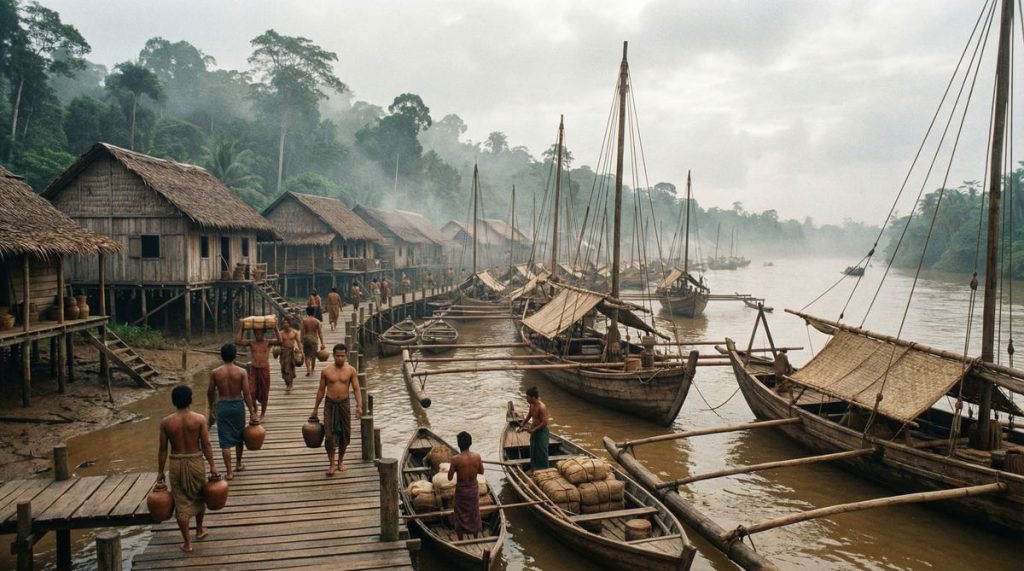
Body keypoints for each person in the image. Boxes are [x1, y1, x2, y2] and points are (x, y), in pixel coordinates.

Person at [158, 385, 218, 553]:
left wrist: (160, 471)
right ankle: (199, 529)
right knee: (200, 495)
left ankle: (187, 542)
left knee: (181, 501)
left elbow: (162, 449)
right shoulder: (199, 420)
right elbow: (206, 445)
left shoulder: (166, 422)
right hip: (195, 461)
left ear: (174, 401)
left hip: (176, 463)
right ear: (190, 400)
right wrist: (212, 465)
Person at [311, 343, 363, 476]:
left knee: (345, 434)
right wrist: (315, 408)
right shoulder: (326, 371)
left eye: (343, 356)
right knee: (329, 435)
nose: (340, 358)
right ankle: (332, 463)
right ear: (333, 356)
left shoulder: (351, 370)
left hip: (344, 405)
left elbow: (356, 389)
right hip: (330, 404)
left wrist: (359, 406)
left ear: (346, 356)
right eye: (338, 356)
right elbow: (321, 390)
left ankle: (340, 461)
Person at [207, 344, 257, 480]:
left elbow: (210, 393)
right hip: (237, 405)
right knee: (239, 435)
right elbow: (246, 393)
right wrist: (252, 411)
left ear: (221, 356)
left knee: (224, 439)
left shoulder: (215, 373)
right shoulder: (241, 372)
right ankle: (238, 464)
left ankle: (229, 472)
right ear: (235, 356)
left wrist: (211, 408)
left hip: (222, 406)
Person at [235, 321, 280, 419]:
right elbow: (238, 342)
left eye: (260, 333)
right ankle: (255, 408)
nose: (258, 335)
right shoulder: (252, 343)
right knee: (251, 391)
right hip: (254, 369)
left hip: (264, 369)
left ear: (263, 333)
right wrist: (242, 328)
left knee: (265, 392)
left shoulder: (268, 342)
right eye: (256, 333)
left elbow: (280, 341)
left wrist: (275, 327)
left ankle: (263, 413)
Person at [447, 431, 484, 539]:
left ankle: (461, 539)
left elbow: (449, 477)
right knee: (474, 512)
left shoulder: (455, 459)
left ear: (459, 444)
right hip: (473, 490)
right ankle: (476, 537)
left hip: (462, 491)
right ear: (470, 443)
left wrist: (452, 468)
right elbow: (481, 472)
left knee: (460, 513)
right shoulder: (477, 456)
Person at [518, 386, 550, 470]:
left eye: (527, 397)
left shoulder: (541, 407)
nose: (526, 398)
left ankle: (544, 470)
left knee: (542, 452)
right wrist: (522, 424)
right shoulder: (531, 405)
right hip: (534, 431)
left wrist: (533, 430)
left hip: (542, 432)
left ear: (533, 397)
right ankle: (535, 468)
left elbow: (545, 422)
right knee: (533, 450)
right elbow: (529, 415)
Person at [301, 306, 325, 377]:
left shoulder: (305, 321)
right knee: (313, 355)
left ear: (307, 312)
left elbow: (302, 332)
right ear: (314, 312)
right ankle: (312, 369)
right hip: (314, 338)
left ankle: (308, 369)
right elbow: (320, 333)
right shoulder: (317, 321)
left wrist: (300, 341)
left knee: (307, 355)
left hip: (306, 338)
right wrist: (322, 343)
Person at [277, 319, 301, 392]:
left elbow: (299, 342)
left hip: (291, 352)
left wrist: (300, 352)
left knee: (290, 368)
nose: (285, 324)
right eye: (284, 323)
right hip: (283, 352)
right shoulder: (280, 333)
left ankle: (290, 385)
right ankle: (287, 383)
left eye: (287, 323)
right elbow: (278, 342)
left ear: (290, 324)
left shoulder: (294, 332)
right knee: (284, 368)